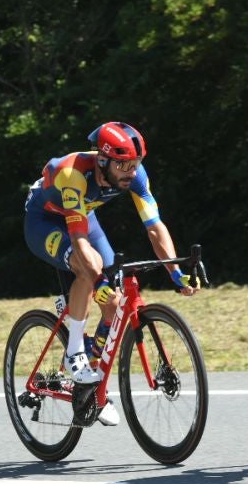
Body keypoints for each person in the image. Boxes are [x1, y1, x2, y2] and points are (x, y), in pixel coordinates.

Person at [23, 122, 198, 426]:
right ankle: (74, 352)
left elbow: (155, 228)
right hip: (45, 222)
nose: (131, 171)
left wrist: (176, 272)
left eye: (135, 164)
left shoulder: (135, 176)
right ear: (102, 161)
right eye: (123, 165)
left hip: (83, 216)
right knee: (86, 269)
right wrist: (98, 279)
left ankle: (89, 389)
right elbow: (78, 243)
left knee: (114, 302)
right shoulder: (73, 174)